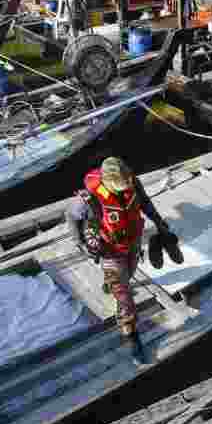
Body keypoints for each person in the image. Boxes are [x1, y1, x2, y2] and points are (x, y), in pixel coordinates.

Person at [70, 156, 172, 365]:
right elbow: (72, 216)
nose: (123, 186)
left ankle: (113, 284)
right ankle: (132, 335)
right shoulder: (89, 198)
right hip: (109, 250)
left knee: (129, 274)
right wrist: (80, 242)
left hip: (132, 244)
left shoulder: (133, 182)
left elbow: (144, 202)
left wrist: (160, 223)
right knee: (124, 299)